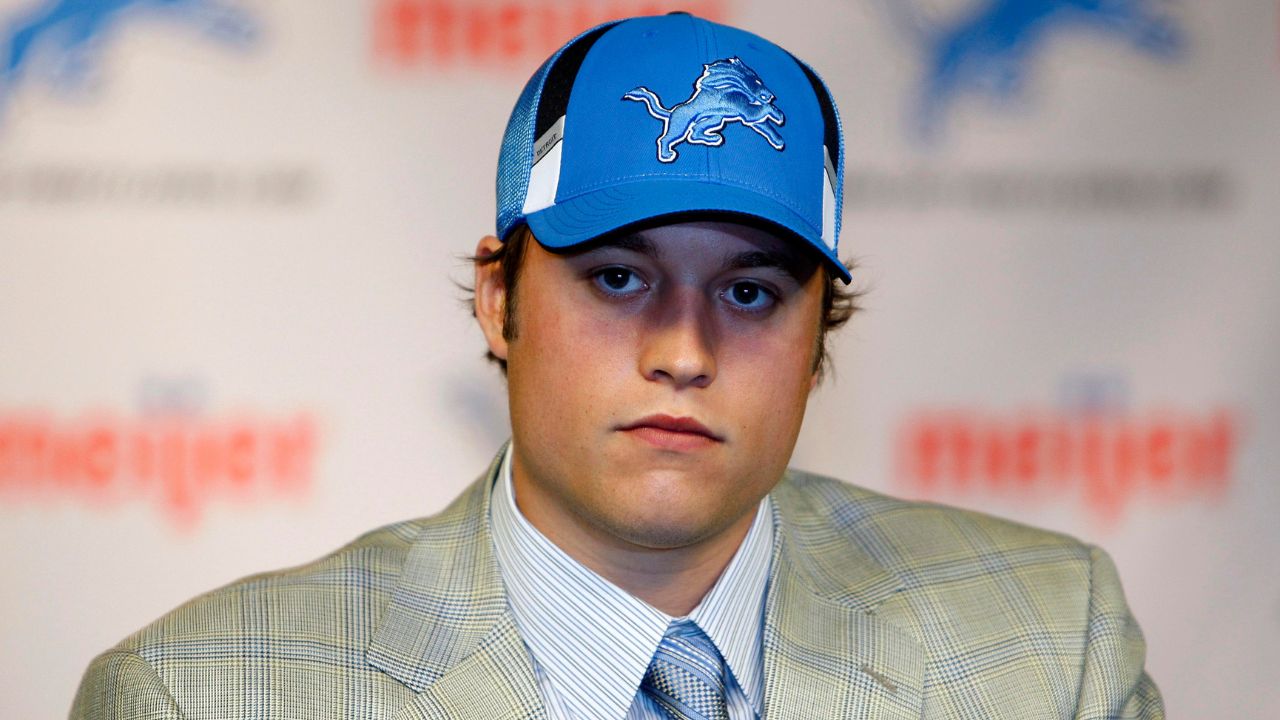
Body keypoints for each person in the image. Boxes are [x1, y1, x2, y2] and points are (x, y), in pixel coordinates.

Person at [71, 13, 1163, 720]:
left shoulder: (1047, 643)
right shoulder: (198, 695)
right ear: (501, 300)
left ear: (819, 335)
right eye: (616, 279)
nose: (683, 354)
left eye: (748, 293)